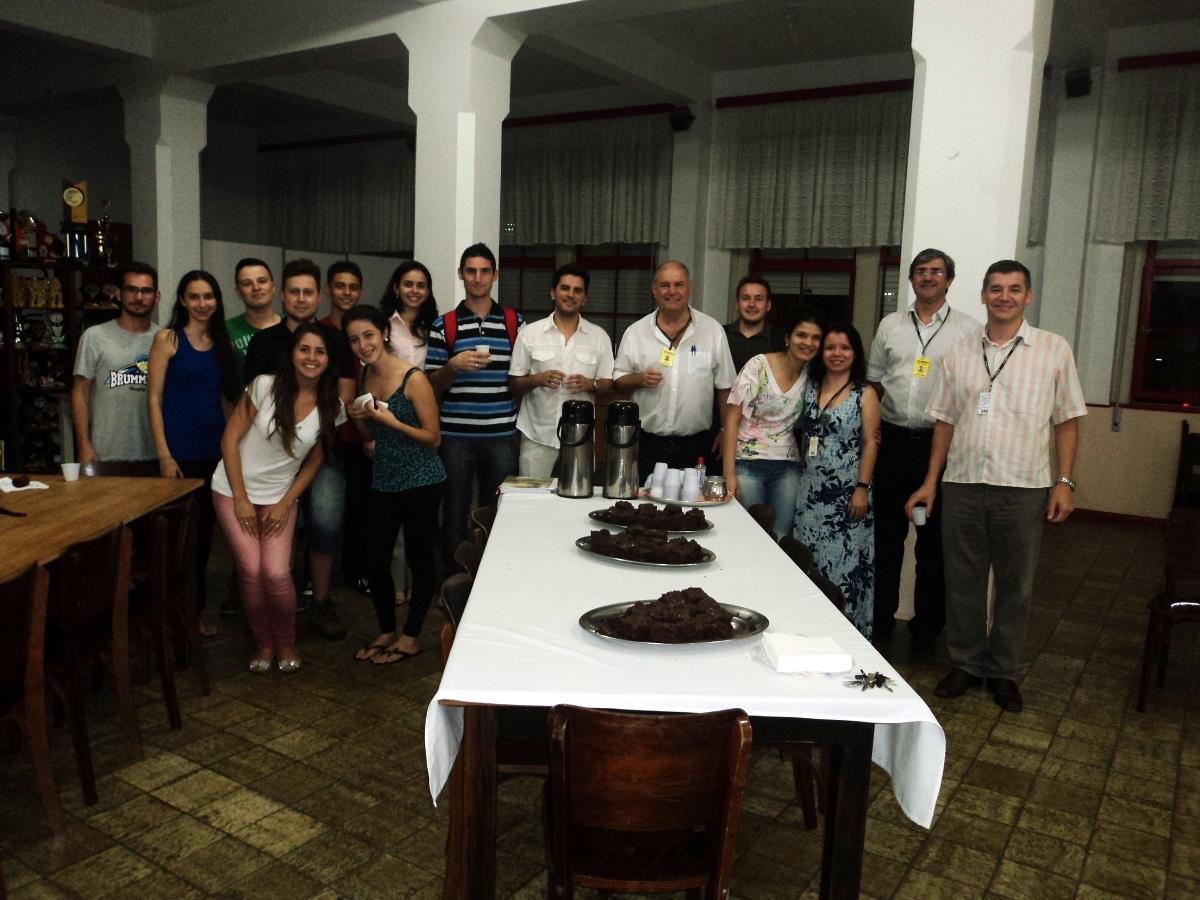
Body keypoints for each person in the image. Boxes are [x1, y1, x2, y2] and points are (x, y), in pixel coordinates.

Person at [907, 260, 1086, 713]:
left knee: (1015, 587)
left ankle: (1003, 671)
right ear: (983, 296)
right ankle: (966, 664)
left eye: (1014, 289)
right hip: (963, 484)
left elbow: (1066, 421)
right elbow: (944, 422)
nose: (1004, 296)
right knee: (962, 582)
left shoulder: (1053, 350)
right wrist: (930, 482)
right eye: (996, 289)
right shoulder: (960, 352)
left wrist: (1064, 482)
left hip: (1023, 487)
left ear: (1028, 296)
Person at [211, 324, 345, 673]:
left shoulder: (332, 405)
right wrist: (240, 497)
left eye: (320, 351)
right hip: (231, 488)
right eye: (304, 349)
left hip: (279, 496)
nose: (311, 358)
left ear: (329, 360)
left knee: (275, 572)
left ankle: (286, 641)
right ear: (292, 353)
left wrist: (287, 503)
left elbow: (316, 458)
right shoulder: (263, 386)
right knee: (252, 571)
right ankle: (264, 644)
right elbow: (229, 439)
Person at [867, 248, 978, 657]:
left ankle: (927, 629)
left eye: (936, 271)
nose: (928, 277)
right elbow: (875, 383)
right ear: (911, 279)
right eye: (920, 271)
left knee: (934, 547)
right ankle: (879, 622)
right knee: (886, 539)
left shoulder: (969, 330)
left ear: (949, 280)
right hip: (893, 444)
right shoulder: (890, 325)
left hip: (940, 447)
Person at [243, 258, 356, 640]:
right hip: (271, 463)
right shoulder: (264, 342)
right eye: (294, 291)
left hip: (321, 453)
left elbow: (342, 400)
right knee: (279, 530)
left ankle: (321, 602)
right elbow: (247, 405)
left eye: (309, 291)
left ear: (319, 294)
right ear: (282, 293)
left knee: (325, 525)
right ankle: (280, 602)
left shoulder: (335, 340)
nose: (302, 298)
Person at [343, 306, 446, 663]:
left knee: (419, 558)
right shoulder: (364, 377)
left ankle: (412, 635)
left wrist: (394, 422)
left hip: (421, 479)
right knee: (375, 557)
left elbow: (433, 438)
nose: (362, 344)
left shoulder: (413, 378)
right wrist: (360, 422)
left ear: (384, 333)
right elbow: (372, 436)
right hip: (385, 478)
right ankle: (386, 629)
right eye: (354, 339)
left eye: (368, 335)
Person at [146, 270, 240, 638]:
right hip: (178, 454)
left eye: (209, 296)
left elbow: (227, 401)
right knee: (174, 540)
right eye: (194, 297)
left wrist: (234, 453)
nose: (202, 304)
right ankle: (170, 611)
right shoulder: (167, 339)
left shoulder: (222, 342)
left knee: (202, 538)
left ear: (217, 300)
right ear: (182, 300)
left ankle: (195, 606)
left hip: (213, 453)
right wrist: (164, 455)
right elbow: (153, 400)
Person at [425, 243, 523, 559]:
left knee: (500, 510)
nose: (477, 278)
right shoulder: (445, 325)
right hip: (455, 436)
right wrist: (452, 366)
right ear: (461, 274)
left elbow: (521, 378)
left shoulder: (514, 323)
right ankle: (455, 581)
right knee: (453, 511)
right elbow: (431, 385)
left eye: (484, 271)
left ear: (495, 275)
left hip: (501, 434)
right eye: (471, 271)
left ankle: (494, 578)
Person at [794, 323, 880, 639]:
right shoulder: (809, 386)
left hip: (848, 497)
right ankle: (810, 634)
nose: (837, 354)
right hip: (810, 494)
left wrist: (862, 488)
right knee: (808, 566)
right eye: (830, 347)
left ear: (855, 353)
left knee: (842, 571)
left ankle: (845, 637)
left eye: (845, 348)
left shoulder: (864, 393)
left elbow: (871, 442)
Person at [613, 260, 736, 481]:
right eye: (665, 285)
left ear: (690, 288)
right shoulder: (636, 332)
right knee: (646, 511)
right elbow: (618, 381)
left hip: (696, 446)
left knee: (693, 509)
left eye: (679, 285)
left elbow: (726, 387)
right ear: (654, 290)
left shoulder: (712, 331)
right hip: (647, 443)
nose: (672, 291)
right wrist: (639, 379)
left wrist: (725, 432)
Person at [721, 308, 823, 540]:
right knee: (749, 537)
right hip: (747, 463)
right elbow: (732, 417)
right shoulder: (759, 365)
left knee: (781, 536)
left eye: (815, 337)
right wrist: (729, 473)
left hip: (787, 466)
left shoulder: (814, 376)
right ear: (788, 338)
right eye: (801, 335)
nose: (808, 342)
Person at [509, 264, 614, 478]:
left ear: (584, 298)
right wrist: (536, 379)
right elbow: (514, 383)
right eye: (565, 288)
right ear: (553, 293)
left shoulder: (599, 337)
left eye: (578, 290)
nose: (570, 295)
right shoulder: (529, 333)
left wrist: (590, 384)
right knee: (532, 500)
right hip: (537, 435)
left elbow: (608, 384)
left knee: (577, 501)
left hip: (581, 435)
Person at [71, 261, 161, 472]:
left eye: (146, 291)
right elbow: (80, 392)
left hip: (153, 453)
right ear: (119, 294)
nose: (139, 297)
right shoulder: (95, 336)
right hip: (104, 453)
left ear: (157, 297)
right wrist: (84, 444)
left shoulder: (164, 339)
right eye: (131, 290)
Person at [318, 261, 371, 596]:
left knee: (359, 508)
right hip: (326, 437)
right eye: (340, 286)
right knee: (323, 511)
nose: (347, 292)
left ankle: (355, 570)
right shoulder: (319, 331)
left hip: (362, 436)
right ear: (328, 289)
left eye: (353, 286)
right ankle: (317, 576)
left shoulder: (367, 331)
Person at [381, 260, 439, 368]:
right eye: (408, 284)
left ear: (427, 292)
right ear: (396, 289)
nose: (415, 290)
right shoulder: (382, 324)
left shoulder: (435, 327)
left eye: (421, 286)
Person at [226, 258, 281, 371]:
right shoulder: (227, 330)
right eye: (247, 284)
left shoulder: (291, 325)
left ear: (273, 287)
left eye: (262, 281)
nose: (256, 288)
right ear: (238, 291)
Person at [725, 275, 780, 373]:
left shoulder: (779, 341)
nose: (751, 304)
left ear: (768, 305)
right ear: (737, 304)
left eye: (758, 299)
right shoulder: (720, 335)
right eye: (745, 298)